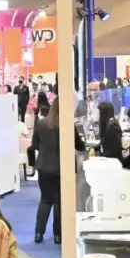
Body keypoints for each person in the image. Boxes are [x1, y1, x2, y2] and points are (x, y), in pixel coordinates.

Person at [30, 96, 84, 244]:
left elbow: (34, 145)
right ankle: (58, 235)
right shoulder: (67, 125)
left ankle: (38, 233)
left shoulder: (41, 124)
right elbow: (79, 146)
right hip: (62, 168)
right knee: (59, 201)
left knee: (45, 199)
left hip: (44, 167)